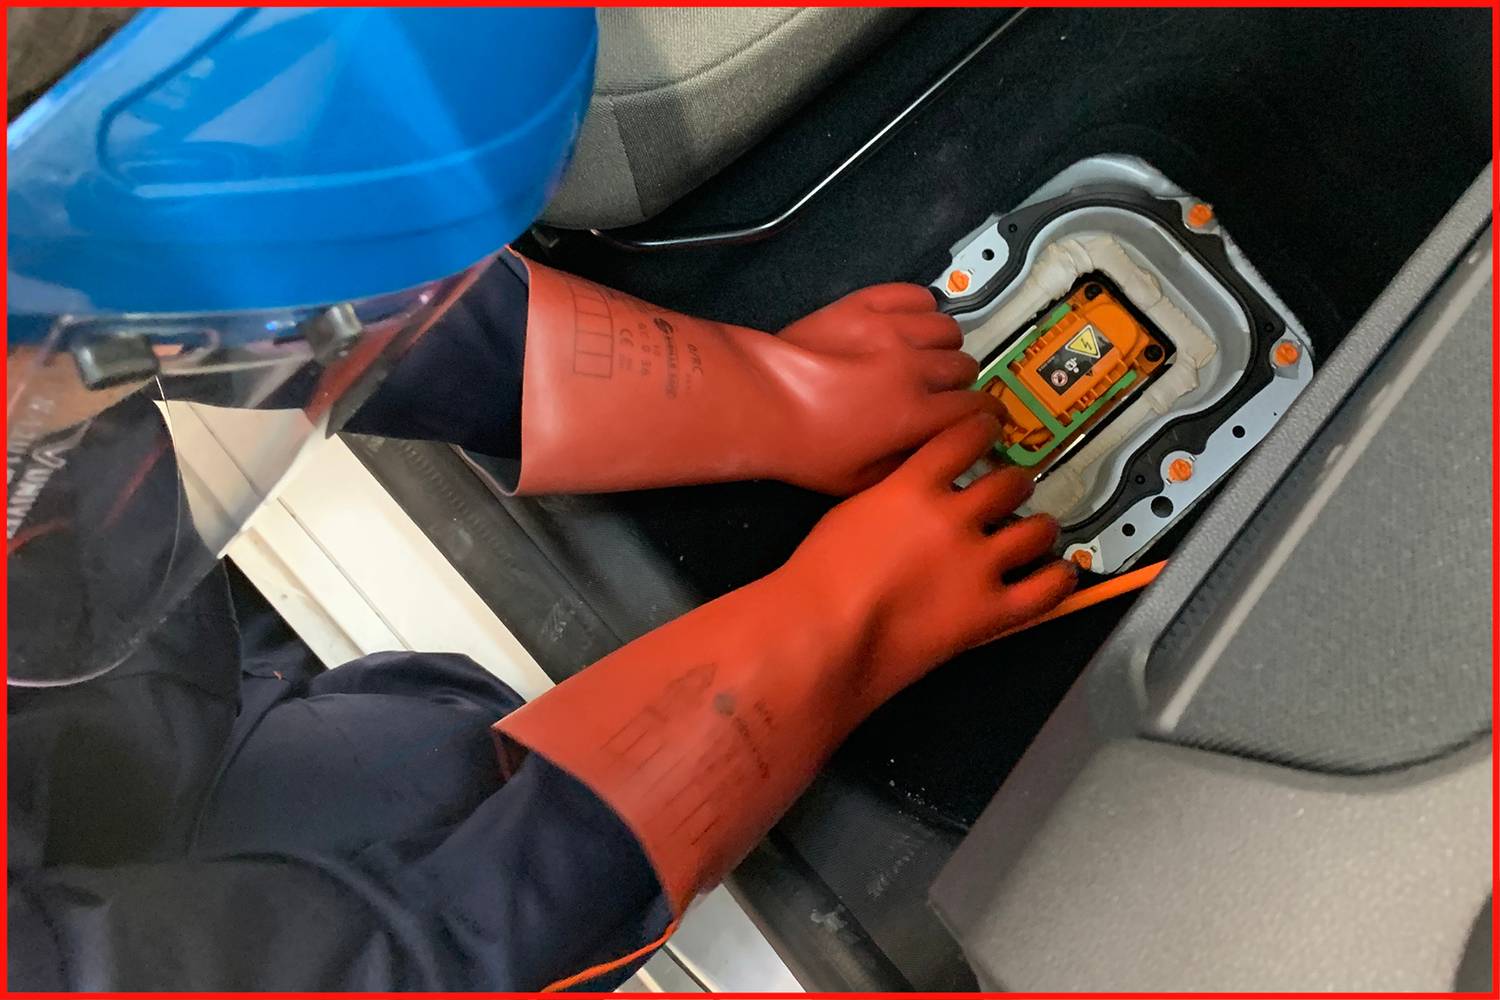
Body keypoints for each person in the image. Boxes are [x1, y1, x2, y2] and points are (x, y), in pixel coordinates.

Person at [7, 10, 1075, 991]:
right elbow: (436, 956)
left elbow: (277, 271)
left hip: (116, 710)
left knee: (437, 753)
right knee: (468, 820)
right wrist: (841, 625)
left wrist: (765, 394)